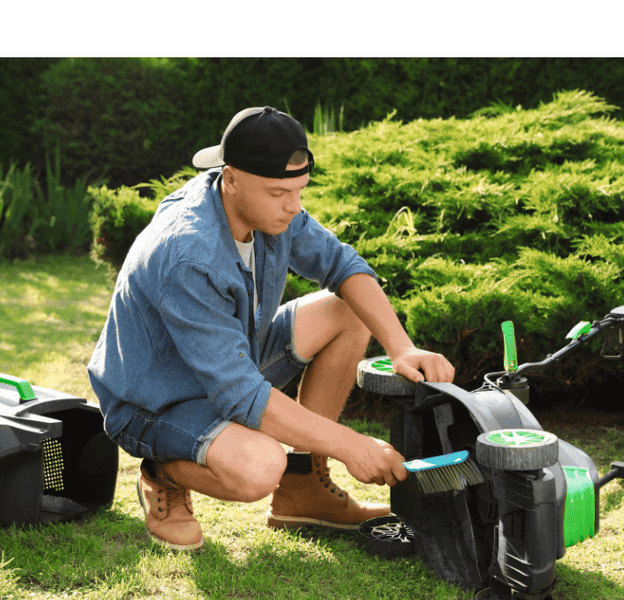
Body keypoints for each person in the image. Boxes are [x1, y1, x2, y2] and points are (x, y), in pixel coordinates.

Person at [87, 106, 454, 551]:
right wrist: (350, 445)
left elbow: (343, 265)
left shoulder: (264, 209)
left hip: (230, 360)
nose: (294, 206)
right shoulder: (187, 254)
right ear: (232, 177)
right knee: (260, 465)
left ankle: (303, 488)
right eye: (279, 192)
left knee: (349, 309)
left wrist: (401, 348)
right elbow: (240, 396)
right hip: (155, 402)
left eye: (299, 190)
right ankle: (162, 473)